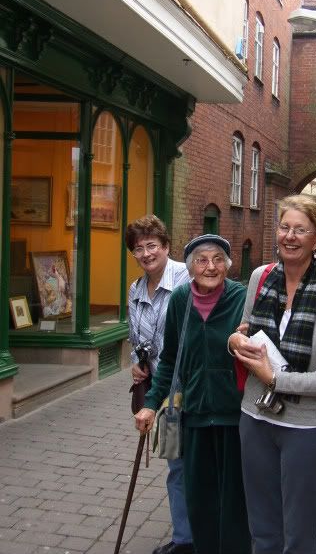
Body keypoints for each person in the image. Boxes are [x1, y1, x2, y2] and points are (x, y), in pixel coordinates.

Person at [228, 195, 316, 554]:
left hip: (306, 430)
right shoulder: (260, 278)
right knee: (263, 533)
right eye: (284, 227)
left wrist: (275, 378)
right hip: (255, 420)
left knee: (299, 537)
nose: (290, 237)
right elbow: (244, 331)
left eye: (300, 230)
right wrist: (233, 341)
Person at [134, 235, 252, 554]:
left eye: (218, 259)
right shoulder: (181, 299)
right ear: (189, 268)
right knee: (200, 500)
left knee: (235, 500)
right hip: (195, 415)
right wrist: (150, 405)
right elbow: (170, 358)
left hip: (235, 416)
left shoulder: (241, 298)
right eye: (201, 260)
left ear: (228, 265)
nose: (210, 267)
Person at [126, 215, 193, 554]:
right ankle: (185, 540)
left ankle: (207, 533)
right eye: (138, 248)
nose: (146, 253)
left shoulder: (187, 278)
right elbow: (135, 338)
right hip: (161, 395)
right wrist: (136, 362)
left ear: (166, 246)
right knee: (176, 464)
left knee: (194, 464)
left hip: (189, 390)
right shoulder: (135, 290)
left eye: (152, 245)